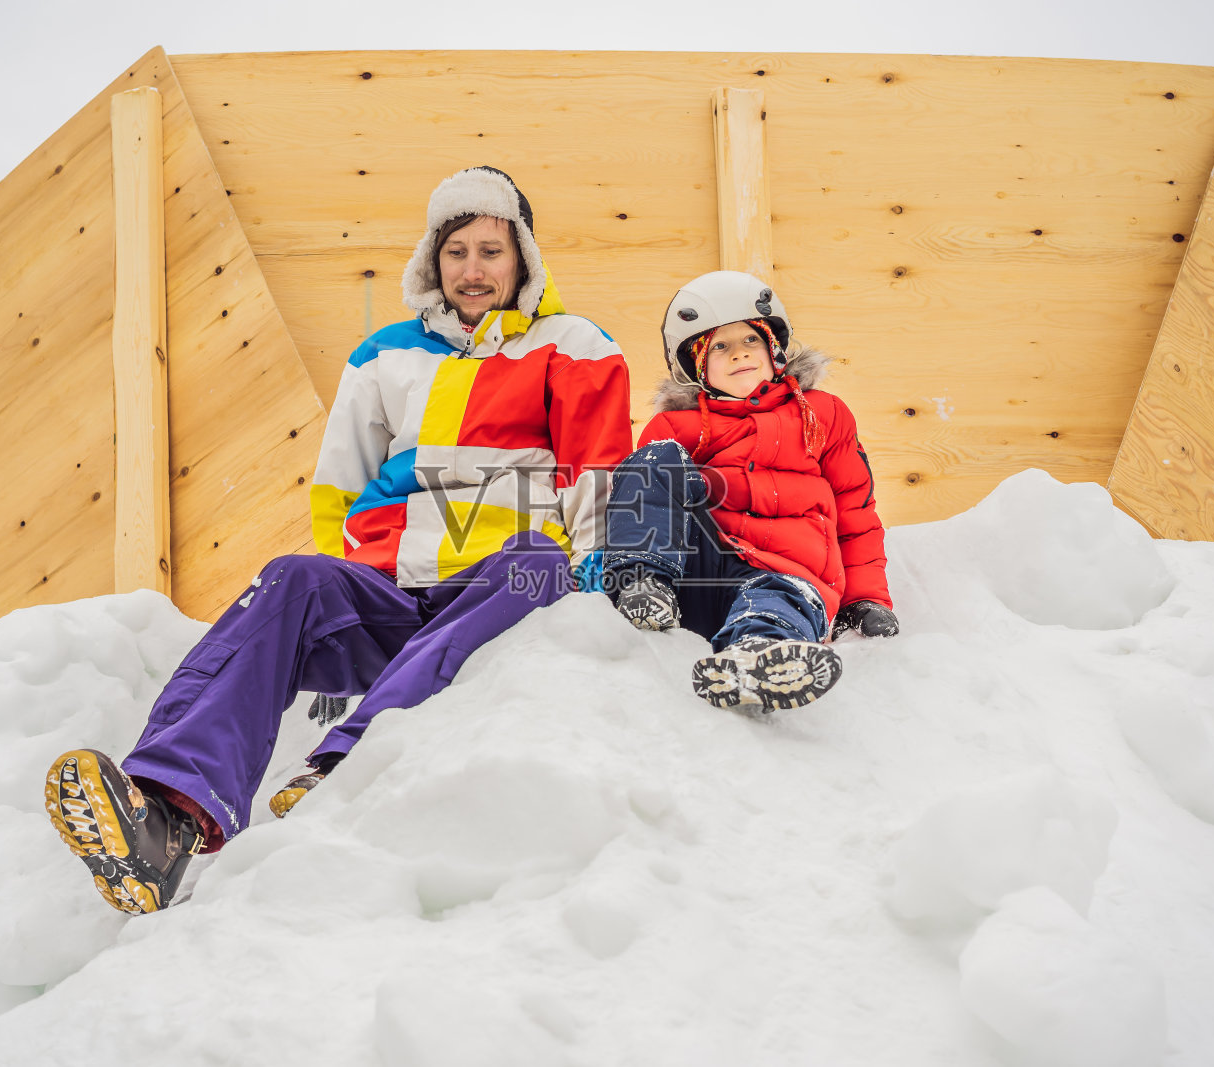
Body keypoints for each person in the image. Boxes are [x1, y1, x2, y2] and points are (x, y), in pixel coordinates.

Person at [45, 167, 633, 914]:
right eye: (457, 251)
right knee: (292, 577)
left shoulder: (572, 343)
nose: (474, 269)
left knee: (537, 559)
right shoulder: (383, 355)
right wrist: (349, 582)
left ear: (522, 257)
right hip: (396, 594)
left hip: (500, 596)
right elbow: (339, 488)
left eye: (491, 250)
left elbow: (599, 472)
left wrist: (595, 587)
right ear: (433, 259)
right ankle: (166, 815)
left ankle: (345, 766)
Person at [603, 270, 897, 712]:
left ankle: (759, 656)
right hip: (701, 574)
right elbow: (649, 501)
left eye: (750, 340)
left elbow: (856, 511)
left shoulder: (823, 415)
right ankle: (643, 584)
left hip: (786, 574)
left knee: (773, 601)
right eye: (719, 346)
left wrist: (867, 597)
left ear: (773, 347)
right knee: (651, 464)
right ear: (696, 362)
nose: (739, 354)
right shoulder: (676, 428)